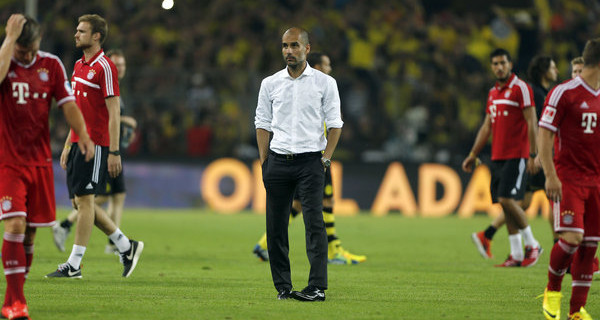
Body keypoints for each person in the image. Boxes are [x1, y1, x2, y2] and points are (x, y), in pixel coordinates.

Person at [0, 14, 94, 319]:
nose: (25, 56)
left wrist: (83, 136)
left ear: (39, 43)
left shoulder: (51, 65)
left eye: (30, 50)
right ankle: (16, 302)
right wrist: (9, 41)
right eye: (20, 51)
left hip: (39, 162)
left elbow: (68, 104)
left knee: (28, 234)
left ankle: (14, 299)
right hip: (8, 160)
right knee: (14, 224)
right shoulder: (6, 59)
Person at [45, 14, 143, 279]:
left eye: (81, 31)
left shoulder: (105, 67)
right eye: (76, 30)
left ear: (96, 36)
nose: (75, 34)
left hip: (97, 145)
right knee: (80, 204)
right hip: (78, 142)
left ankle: (74, 265)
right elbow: (77, 110)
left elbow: (113, 113)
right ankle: (126, 245)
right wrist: (67, 144)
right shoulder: (78, 65)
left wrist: (113, 151)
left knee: (86, 202)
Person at [252, 51, 366, 265]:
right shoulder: (309, 87)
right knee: (325, 200)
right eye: (326, 64)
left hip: (310, 154)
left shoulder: (323, 86)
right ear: (316, 65)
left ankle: (265, 243)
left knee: (298, 205)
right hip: (311, 155)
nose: (329, 69)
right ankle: (333, 250)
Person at [255, 27, 343, 301]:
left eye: (294, 45)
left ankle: (316, 287)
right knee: (275, 227)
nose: (288, 51)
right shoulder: (270, 83)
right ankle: (283, 287)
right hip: (278, 162)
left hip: (310, 162)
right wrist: (264, 161)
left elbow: (336, 124)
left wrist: (325, 158)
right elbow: (262, 123)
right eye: (284, 46)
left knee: (314, 224)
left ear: (307, 48)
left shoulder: (325, 83)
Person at [52, 49, 137, 255]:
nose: (119, 68)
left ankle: (117, 244)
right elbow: (94, 116)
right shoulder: (101, 83)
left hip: (108, 148)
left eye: (122, 65)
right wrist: (127, 124)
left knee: (114, 196)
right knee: (89, 199)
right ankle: (66, 226)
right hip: (101, 148)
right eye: (116, 64)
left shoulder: (115, 89)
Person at [470, 55, 558, 256]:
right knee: (546, 200)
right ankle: (554, 249)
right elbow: (534, 123)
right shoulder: (533, 92)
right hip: (534, 154)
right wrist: (534, 154)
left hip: (525, 154)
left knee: (519, 202)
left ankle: (493, 237)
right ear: (544, 70)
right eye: (553, 67)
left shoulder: (538, 91)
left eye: (503, 63)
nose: (557, 71)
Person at [539, 39, 600, 320]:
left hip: (597, 181)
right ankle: (553, 289)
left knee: (589, 246)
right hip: (569, 179)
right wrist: (551, 175)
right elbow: (545, 134)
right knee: (572, 239)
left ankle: (576, 311)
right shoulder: (564, 92)